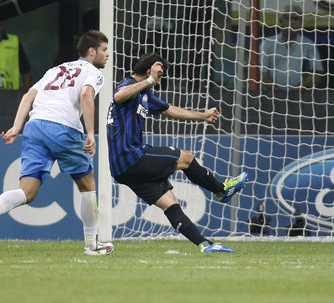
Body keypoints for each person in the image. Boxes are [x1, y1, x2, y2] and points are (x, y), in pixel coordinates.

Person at [107, 52, 248, 253]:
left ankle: (205, 245)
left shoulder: (145, 94)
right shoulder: (128, 85)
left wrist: (203, 116)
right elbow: (118, 96)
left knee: (170, 203)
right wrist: (149, 80)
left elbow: (169, 109)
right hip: (131, 156)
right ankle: (221, 190)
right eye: (160, 75)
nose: (159, 80)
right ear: (149, 71)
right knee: (187, 158)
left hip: (123, 169)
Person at [0, 30, 113, 255]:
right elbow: (86, 95)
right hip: (63, 127)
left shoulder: (56, 69)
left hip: (35, 126)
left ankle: (93, 245)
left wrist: (16, 126)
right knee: (87, 184)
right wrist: (90, 133)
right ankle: (92, 245)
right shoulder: (92, 71)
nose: (107, 55)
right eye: (103, 49)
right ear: (92, 51)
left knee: (27, 192)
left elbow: (28, 96)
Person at [260, 5, 323, 90]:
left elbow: (316, 72)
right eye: (288, 18)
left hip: (299, 96)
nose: (292, 22)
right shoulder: (267, 43)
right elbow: (261, 73)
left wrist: (296, 91)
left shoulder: (308, 45)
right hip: (270, 95)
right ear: (281, 22)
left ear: (301, 23)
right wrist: (278, 93)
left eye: (296, 19)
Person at [0, 19, 33, 90]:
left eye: (2, 19)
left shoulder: (14, 42)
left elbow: (26, 70)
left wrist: (26, 96)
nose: (1, 22)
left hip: (10, 94)